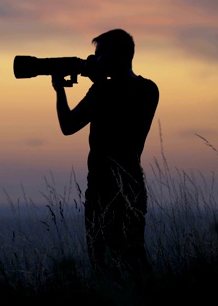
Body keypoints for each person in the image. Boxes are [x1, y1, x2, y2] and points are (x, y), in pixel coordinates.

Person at [51, 29, 159, 278]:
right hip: (133, 184)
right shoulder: (149, 89)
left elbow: (68, 126)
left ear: (116, 57)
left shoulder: (103, 91)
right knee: (134, 256)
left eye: (98, 55)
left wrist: (60, 90)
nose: (93, 60)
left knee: (101, 260)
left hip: (101, 187)